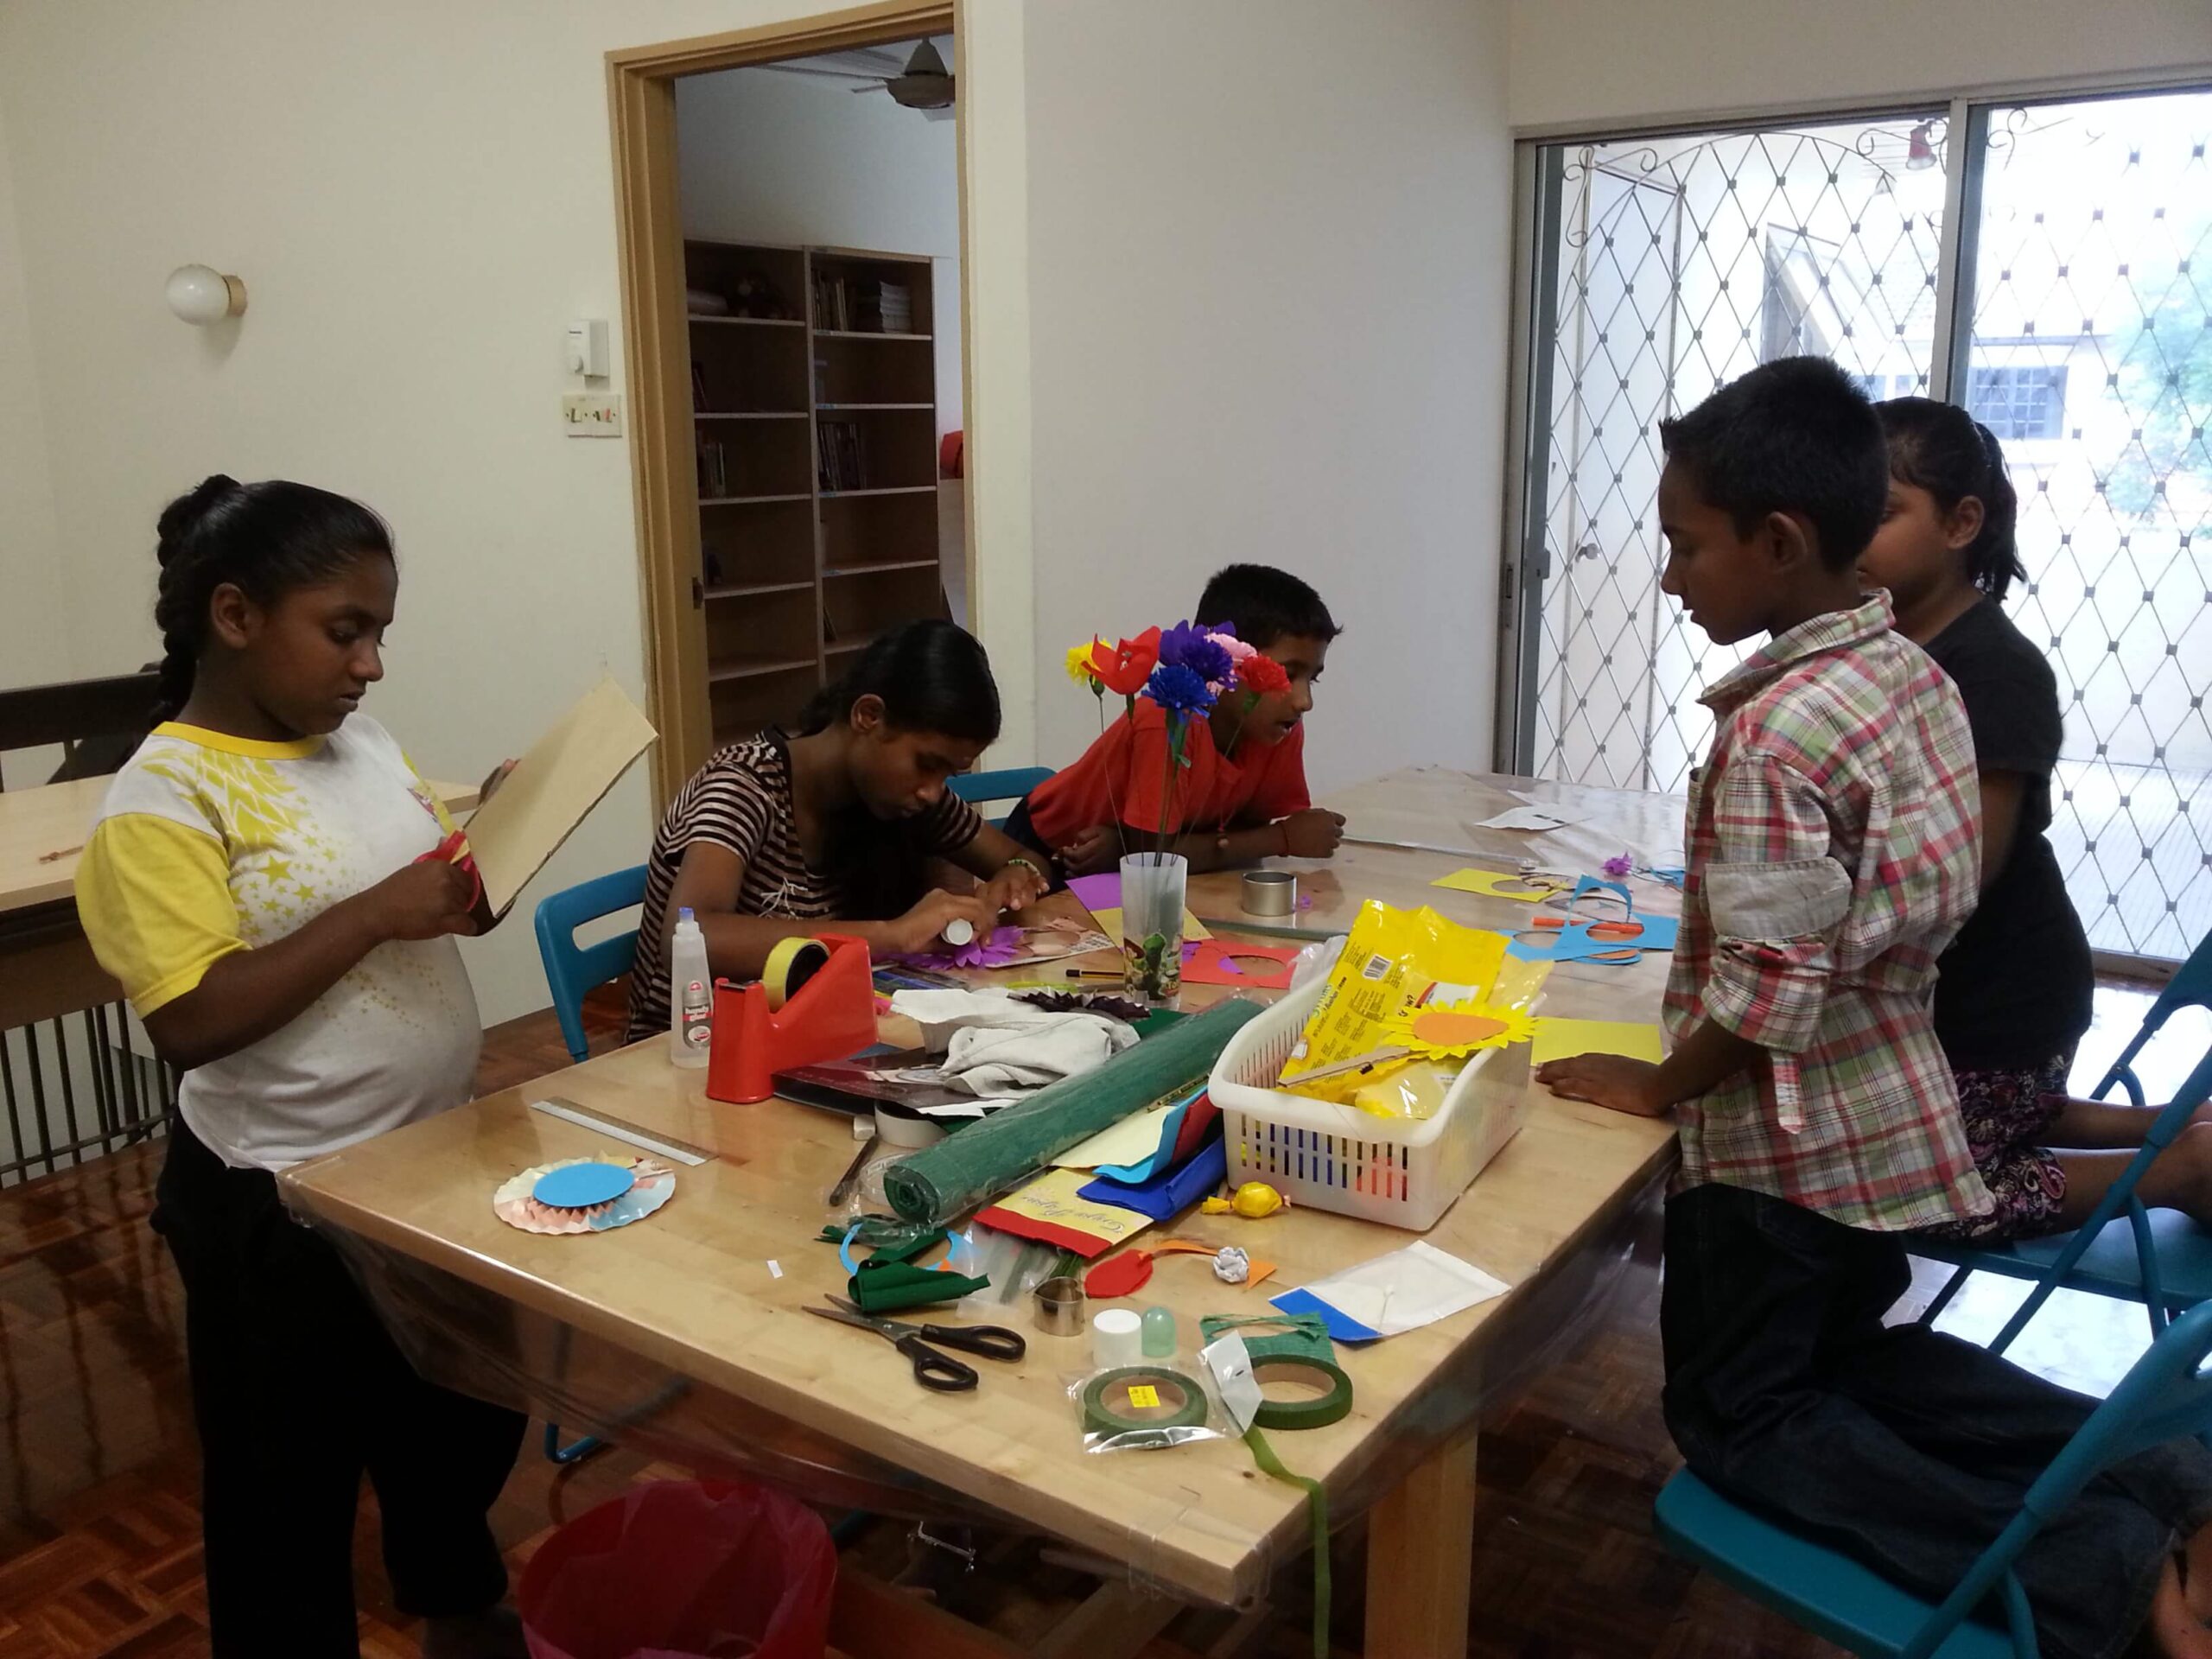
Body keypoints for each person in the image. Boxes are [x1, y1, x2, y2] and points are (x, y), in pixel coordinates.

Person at [1537, 360, 2212, 1659]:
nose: (1670, 578)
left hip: (1773, 1153)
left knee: (1745, 1415)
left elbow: (1772, 984)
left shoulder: (1774, 732)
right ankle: (2177, 1474)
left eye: (1686, 545)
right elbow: (1928, 897)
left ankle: (2109, 1575)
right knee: (1863, 1357)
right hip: (1883, 1109)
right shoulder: (1910, 675)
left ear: (1780, 543)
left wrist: (1658, 1083)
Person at [74, 477, 526, 1659]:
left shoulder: (359, 742)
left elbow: (445, 900)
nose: (371, 665)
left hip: (421, 1161)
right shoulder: (162, 798)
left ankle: (457, 1608)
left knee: (456, 1421)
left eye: (380, 633)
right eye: (345, 631)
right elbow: (190, 1019)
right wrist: (376, 913)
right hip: (277, 1207)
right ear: (234, 616)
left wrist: (495, 841)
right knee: (285, 1495)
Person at [1863, 397, 2207, 1238]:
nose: (1850, 534)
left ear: (1960, 523)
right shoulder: (1883, 650)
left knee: (1880, 1192)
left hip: (1997, 1003)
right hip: (1937, 1000)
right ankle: (2160, 1122)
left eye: (1880, 512)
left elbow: (1959, 877)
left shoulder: (1993, 670)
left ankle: (2182, 1169)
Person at [624, 619, 1050, 1044]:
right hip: (694, 1051)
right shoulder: (743, 788)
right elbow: (694, 935)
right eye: (927, 764)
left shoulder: (908, 801)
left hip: (815, 1033)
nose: (933, 791)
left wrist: (1014, 875)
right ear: (869, 716)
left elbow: (1027, 859)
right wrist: (891, 935)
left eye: (949, 774)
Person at [1010, 563, 1347, 876]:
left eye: (1312, 679)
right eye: (1287, 674)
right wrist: (1281, 838)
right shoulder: (1169, 718)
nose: (1304, 701)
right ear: (1226, 658)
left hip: (1124, 862)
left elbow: (1243, 833)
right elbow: (1154, 862)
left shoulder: (1278, 726)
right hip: (1047, 854)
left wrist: (1124, 849)